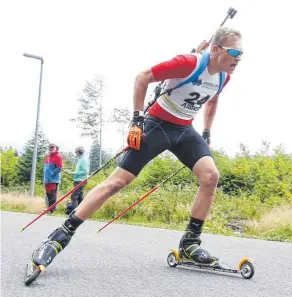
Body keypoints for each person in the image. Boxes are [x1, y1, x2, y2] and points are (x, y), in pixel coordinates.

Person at [28, 27, 243, 272]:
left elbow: (213, 100)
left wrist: (206, 132)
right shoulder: (188, 63)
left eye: (242, 53)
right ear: (216, 49)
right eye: (234, 51)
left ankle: (190, 243)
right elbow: (143, 77)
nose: (239, 58)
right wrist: (137, 120)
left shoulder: (223, 76)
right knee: (118, 182)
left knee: (210, 176)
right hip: (158, 125)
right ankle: (60, 236)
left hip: (184, 130)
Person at [64, 146, 90, 215]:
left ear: (78, 152)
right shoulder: (80, 159)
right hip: (77, 180)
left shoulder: (83, 160)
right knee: (80, 197)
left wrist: (72, 173)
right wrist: (71, 172)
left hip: (81, 181)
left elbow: (85, 172)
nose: (75, 153)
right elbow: (79, 170)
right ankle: (82, 212)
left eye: (76, 152)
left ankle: (75, 213)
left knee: (74, 196)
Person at [43, 143, 63, 214]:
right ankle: (49, 208)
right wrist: (45, 177)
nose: (51, 149)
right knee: (48, 195)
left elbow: (59, 168)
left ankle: (52, 210)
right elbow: (46, 168)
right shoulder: (47, 157)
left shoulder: (58, 157)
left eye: (52, 147)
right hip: (46, 180)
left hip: (53, 180)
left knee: (52, 195)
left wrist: (51, 174)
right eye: (49, 147)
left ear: (55, 148)